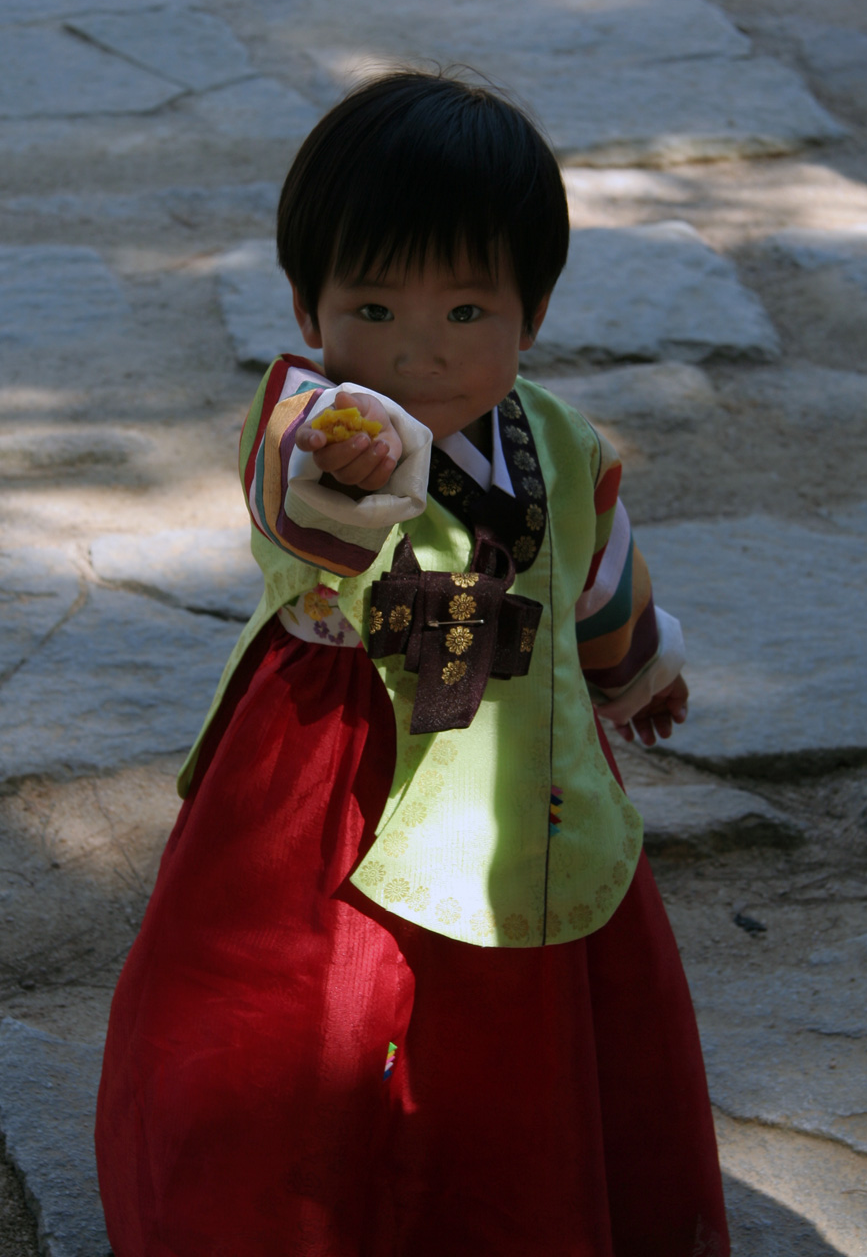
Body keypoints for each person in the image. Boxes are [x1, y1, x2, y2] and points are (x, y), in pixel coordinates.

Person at [95, 70, 730, 1257]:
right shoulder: (309, 425)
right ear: (308, 304)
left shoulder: (561, 443)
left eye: (466, 313)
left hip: (522, 773)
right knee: (314, 1015)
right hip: (333, 770)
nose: (419, 354)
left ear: (530, 315)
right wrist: (358, 447)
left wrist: (638, 672)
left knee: (519, 1022)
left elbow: (596, 576)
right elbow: (318, 506)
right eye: (374, 311)